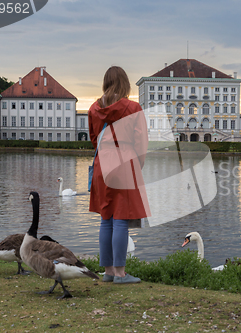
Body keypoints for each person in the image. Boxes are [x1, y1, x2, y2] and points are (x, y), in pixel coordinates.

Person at [88, 66, 149, 284]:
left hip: (101, 164)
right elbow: (141, 143)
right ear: (125, 84)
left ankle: (108, 272)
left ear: (106, 82)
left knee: (106, 219)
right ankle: (121, 274)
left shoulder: (94, 109)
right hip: (125, 162)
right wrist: (136, 165)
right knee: (121, 219)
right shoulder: (133, 108)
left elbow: (94, 138)